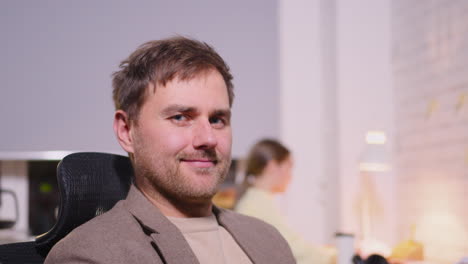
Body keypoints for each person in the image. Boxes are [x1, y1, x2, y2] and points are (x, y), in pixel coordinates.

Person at [45, 37, 295, 263]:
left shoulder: (268, 239)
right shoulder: (90, 255)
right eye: (180, 117)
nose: (207, 138)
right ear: (127, 131)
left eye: (217, 119)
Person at [235, 139, 336, 264]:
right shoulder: (257, 204)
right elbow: (291, 249)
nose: (290, 175)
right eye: (289, 167)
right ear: (272, 166)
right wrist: (333, 255)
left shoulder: (256, 200)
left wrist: (324, 251)